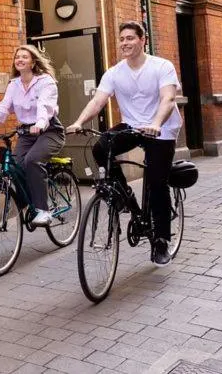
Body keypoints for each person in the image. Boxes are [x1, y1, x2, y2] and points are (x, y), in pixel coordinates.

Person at [66, 21, 181, 266]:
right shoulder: (115, 72)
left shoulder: (162, 66)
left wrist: (157, 123)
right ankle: (123, 195)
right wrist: (78, 121)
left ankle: (161, 241)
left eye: (130, 38)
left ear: (143, 40)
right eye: (122, 39)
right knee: (101, 147)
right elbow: (98, 101)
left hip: (161, 129)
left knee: (157, 184)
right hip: (132, 126)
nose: (125, 43)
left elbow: (168, 99)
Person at [0, 45, 65, 226]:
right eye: (18, 57)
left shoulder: (45, 81)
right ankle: (28, 202)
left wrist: (40, 123)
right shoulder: (14, 85)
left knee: (32, 160)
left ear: (33, 62)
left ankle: (43, 210)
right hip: (26, 133)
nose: (20, 60)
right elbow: (3, 107)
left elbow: (44, 105)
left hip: (49, 131)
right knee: (15, 165)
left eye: (25, 57)